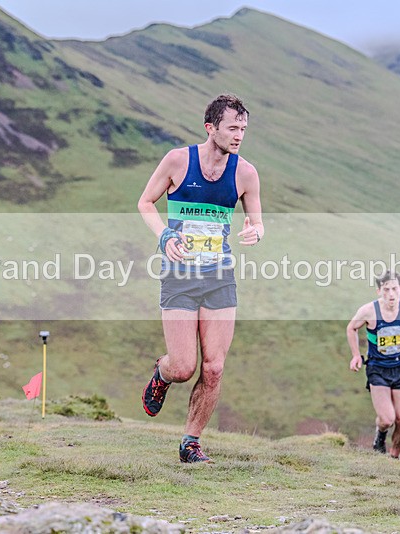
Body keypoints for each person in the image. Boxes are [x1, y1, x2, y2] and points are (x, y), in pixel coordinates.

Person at [137, 94, 263, 463]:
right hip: (179, 276)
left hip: (220, 277)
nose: (238, 135)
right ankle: (161, 373)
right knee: (183, 367)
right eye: (232, 128)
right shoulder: (178, 161)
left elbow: (257, 222)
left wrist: (256, 232)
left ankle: (191, 442)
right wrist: (164, 236)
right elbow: (146, 202)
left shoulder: (246, 173)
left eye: (243, 129)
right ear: (211, 128)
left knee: (214, 367)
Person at [346, 271, 400, 459]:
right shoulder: (368, 311)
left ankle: (393, 459)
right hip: (377, 368)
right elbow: (351, 328)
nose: (391, 294)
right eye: (386, 289)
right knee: (387, 419)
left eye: (395, 288)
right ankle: (379, 437)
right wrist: (356, 355)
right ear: (379, 291)